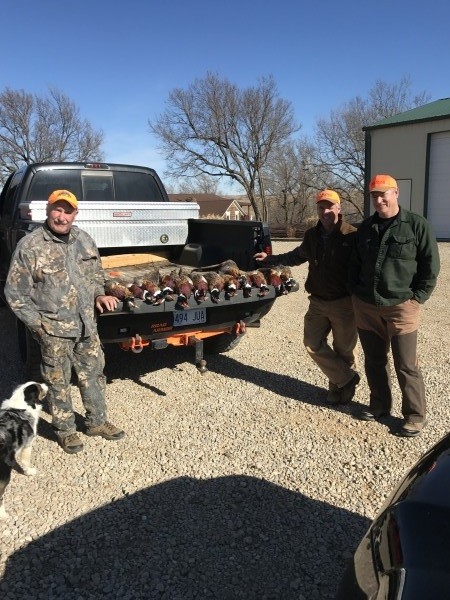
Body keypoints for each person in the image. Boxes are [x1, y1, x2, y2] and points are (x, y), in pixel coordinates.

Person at [5, 189, 125, 454]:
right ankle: (66, 430)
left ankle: (97, 422)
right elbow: (15, 293)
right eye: (56, 210)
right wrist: (38, 326)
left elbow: (95, 277)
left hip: (86, 326)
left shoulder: (84, 240)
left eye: (67, 211)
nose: (61, 217)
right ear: (48, 211)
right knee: (58, 382)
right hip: (53, 330)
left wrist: (100, 295)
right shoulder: (31, 245)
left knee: (93, 375)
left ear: (75, 213)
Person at [349, 174, 440, 437]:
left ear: (396, 193)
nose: (379, 200)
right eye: (374, 195)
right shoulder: (365, 228)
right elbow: (355, 263)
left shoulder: (416, 225)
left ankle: (415, 415)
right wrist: (354, 291)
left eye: (383, 194)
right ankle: (379, 405)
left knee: (406, 364)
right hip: (366, 305)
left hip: (401, 306)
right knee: (374, 360)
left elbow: (430, 266)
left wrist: (417, 298)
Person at [254, 189, 359, 405]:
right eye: (321, 207)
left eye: (330, 206)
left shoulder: (352, 235)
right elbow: (296, 257)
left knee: (344, 349)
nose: (325, 211)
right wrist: (270, 259)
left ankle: (339, 388)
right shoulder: (312, 235)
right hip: (318, 301)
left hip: (344, 303)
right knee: (311, 343)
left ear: (339, 208)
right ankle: (347, 379)